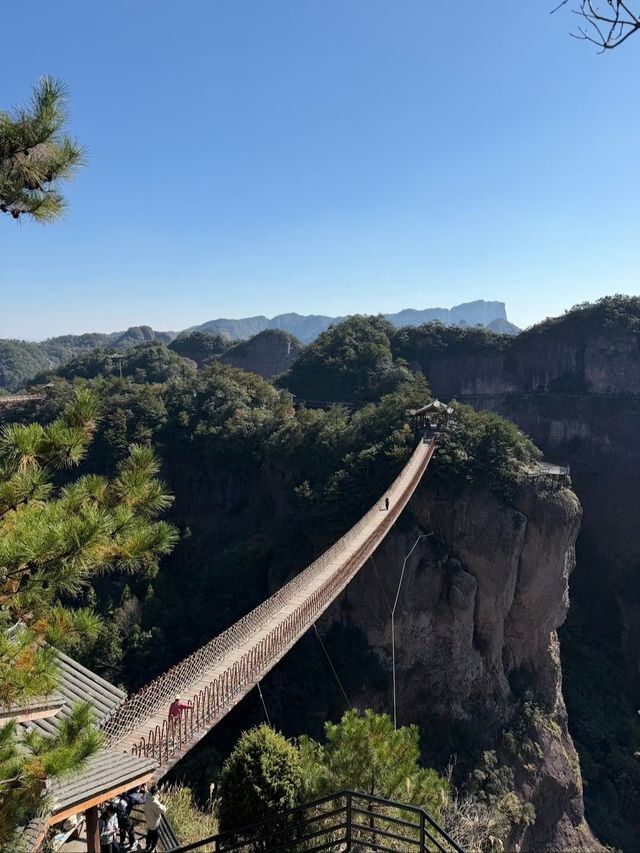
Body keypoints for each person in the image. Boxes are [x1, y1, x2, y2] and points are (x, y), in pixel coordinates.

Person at [143, 785, 166, 852]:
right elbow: (163, 810)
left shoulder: (147, 796)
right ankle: (152, 848)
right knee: (155, 836)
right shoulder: (155, 802)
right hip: (154, 822)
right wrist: (162, 804)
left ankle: (147, 847)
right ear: (156, 792)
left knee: (149, 834)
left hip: (148, 819)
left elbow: (147, 793)